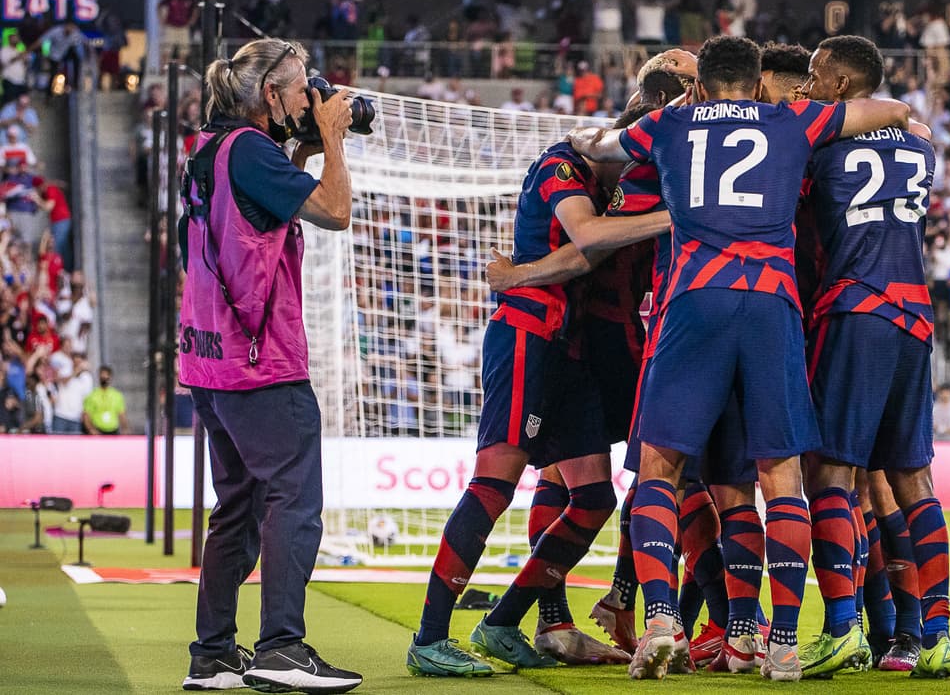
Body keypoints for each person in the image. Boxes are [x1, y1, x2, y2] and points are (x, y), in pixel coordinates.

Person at [570, 35, 910, 681]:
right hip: (770, 304)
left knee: (658, 469)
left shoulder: (668, 123)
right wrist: (905, 118)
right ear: (756, 84)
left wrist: (584, 140)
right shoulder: (792, 119)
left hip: (694, 298)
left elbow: (601, 145)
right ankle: (780, 641)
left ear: (704, 86)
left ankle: (661, 620)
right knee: (781, 477)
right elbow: (874, 113)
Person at [405, 112, 668, 677]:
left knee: (595, 495)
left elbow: (589, 256)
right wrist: (675, 217)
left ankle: (502, 622)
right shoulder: (560, 165)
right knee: (494, 484)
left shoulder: (604, 185)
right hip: (527, 333)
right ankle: (428, 637)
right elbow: (586, 243)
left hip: (568, 345)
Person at [177, 38, 361, 693]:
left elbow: (252, 210)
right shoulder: (252, 152)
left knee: (238, 505)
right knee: (293, 499)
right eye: (300, 88)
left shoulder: (211, 150)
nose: (310, 97)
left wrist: (305, 145)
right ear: (270, 95)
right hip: (261, 362)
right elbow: (335, 211)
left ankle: (214, 655)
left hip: (209, 362)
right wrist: (333, 139)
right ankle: (281, 647)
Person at [800, 34, 950, 678]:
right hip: (915, 315)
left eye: (814, 74)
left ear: (840, 86)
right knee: (913, 480)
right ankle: (938, 637)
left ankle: (843, 629)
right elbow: (908, 133)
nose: (807, 84)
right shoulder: (919, 145)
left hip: (856, 307)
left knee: (833, 475)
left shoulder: (822, 142)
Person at [83, 365, 126, 435]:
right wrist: (91, 430)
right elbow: (86, 415)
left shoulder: (117, 395)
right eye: (102, 376)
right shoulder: (92, 395)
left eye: (106, 376)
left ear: (110, 377)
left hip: (113, 431)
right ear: (99, 377)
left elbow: (121, 414)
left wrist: (125, 429)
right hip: (98, 431)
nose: (104, 378)